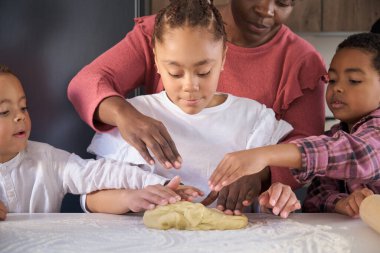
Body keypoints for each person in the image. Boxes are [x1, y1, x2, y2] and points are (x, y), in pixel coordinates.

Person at [68, 0, 326, 213]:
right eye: (175, 73)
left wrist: (262, 177)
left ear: (223, 58)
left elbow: (306, 150)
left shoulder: (284, 82)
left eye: (284, 2)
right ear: (158, 58)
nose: (267, 9)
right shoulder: (167, 31)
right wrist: (124, 115)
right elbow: (86, 84)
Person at [209, 32, 380, 218]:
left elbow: (361, 155)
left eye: (354, 80)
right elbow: (316, 198)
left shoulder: (361, 139)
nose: (337, 88)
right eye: (332, 80)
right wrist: (341, 203)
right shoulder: (333, 136)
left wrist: (263, 155)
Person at [0, 65, 202, 220]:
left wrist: (163, 185)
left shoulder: (48, 159)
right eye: (5, 112)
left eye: (23, 108)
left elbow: (103, 172)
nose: (19, 117)